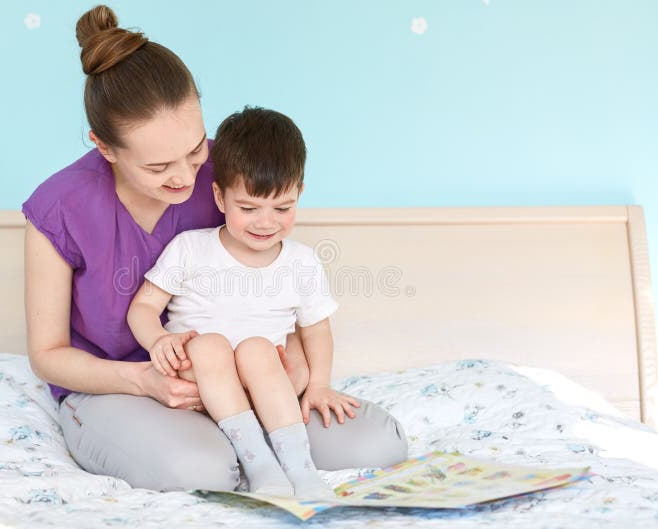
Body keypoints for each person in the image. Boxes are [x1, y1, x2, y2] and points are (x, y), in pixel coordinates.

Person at [22, 4, 408, 493]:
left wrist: (295, 360)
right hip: (118, 388)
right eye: (159, 167)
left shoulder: (228, 181)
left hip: (243, 376)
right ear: (105, 148)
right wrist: (144, 381)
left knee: (377, 444)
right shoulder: (59, 207)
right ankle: (240, 450)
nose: (186, 178)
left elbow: (271, 273)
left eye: (195, 150)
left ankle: (257, 446)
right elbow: (48, 354)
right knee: (204, 469)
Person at [128, 107, 358, 499]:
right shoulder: (191, 248)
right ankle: (260, 465)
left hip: (268, 382)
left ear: (298, 194)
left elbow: (317, 329)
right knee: (212, 344)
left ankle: (301, 472)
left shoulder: (300, 262)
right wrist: (157, 341)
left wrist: (318, 384)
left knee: (256, 350)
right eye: (248, 208)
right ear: (219, 196)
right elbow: (143, 308)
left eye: (282, 208)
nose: (265, 222)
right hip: (198, 383)